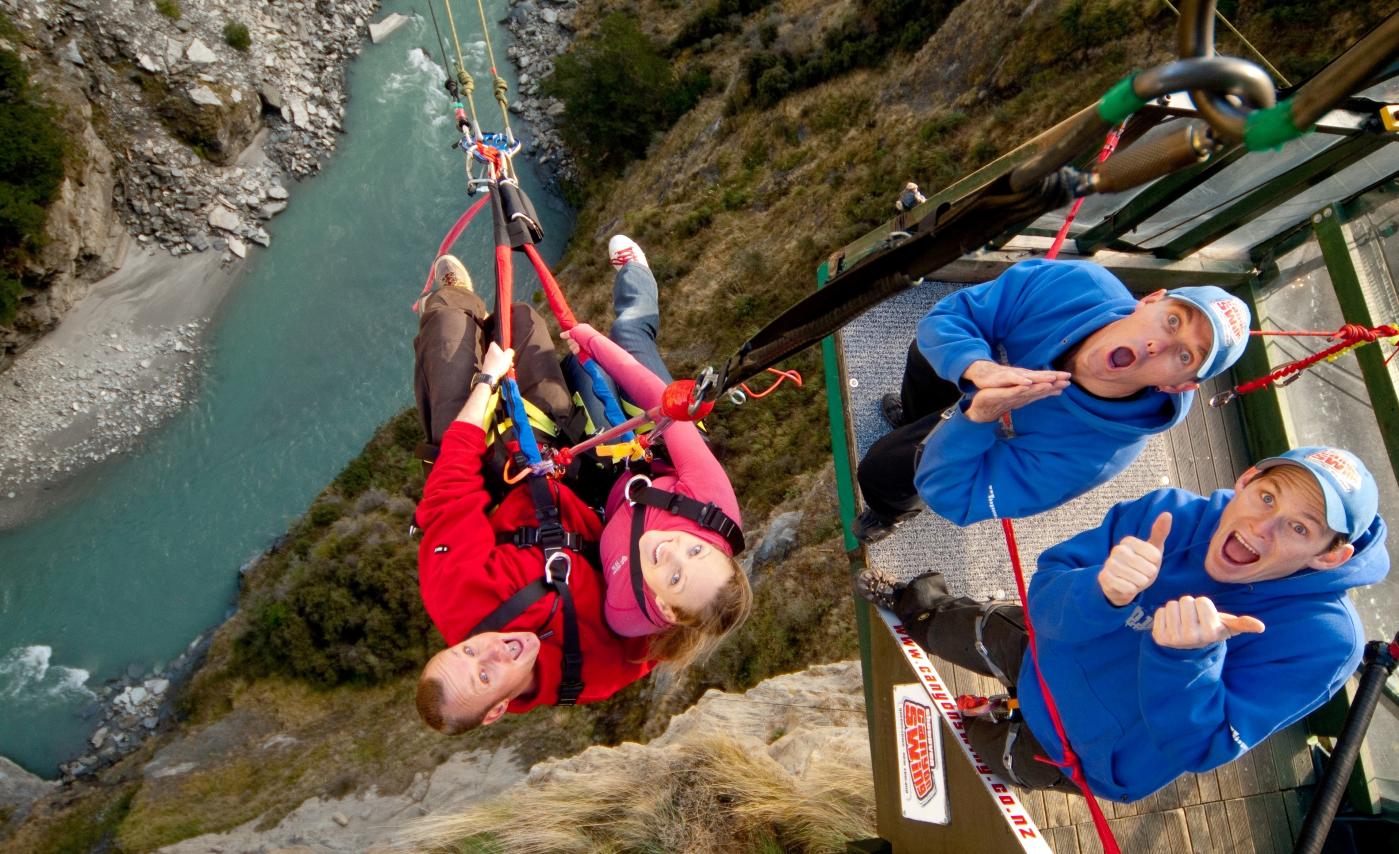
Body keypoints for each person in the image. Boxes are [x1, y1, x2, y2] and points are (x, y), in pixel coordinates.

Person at [860, 445, 1389, 801]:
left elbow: (1202, 747)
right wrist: (1101, 590)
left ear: (1328, 557)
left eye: (1299, 527)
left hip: (1085, 749)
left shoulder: (1322, 642)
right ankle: (911, 605)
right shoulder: (1174, 515)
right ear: (1246, 480)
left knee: (977, 753)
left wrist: (1185, 659)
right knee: (959, 626)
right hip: (1053, 649)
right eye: (1267, 497)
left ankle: (968, 728)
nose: (1260, 528)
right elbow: (1047, 593)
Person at [413, 256, 653, 733]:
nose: (491, 650)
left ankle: (455, 302)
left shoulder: (455, 600)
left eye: (467, 650)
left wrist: (486, 382)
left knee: (451, 338)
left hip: (506, 478)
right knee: (522, 323)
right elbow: (669, 605)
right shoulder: (601, 671)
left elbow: (450, 492)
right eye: (485, 674)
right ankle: (481, 321)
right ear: (497, 710)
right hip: (578, 474)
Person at [855, 257, 1252, 540]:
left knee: (881, 471)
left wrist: (978, 417)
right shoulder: (1077, 284)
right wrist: (975, 366)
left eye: (1184, 356)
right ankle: (915, 418)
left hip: (988, 431)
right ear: (1150, 300)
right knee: (929, 354)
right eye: (1173, 320)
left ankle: (892, 511)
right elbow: (951, 319)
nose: (1156, 345)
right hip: (983, 388)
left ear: (1179, 385)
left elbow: (960, 495)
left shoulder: (1095, 456)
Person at [561, 235, 752, 669]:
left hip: (611, 479)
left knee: (574, 369)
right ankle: (637, 273)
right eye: (698, 551)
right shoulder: (711, 501)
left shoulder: (626, 613)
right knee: (626, 336)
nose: (673, 551)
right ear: (717, 544)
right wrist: (592, 341)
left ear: (665, 610)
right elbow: (657, 394)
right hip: (665, 439)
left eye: (677, 577)